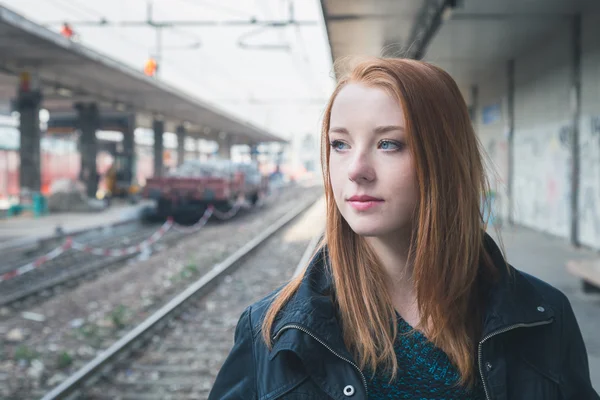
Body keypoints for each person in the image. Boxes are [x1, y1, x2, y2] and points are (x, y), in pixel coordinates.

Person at [208, 57, 598, 399]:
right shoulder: (270, 331)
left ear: (445, 159)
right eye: (340, 145)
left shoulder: (543, 317)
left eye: (389, 144)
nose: (356, 170)